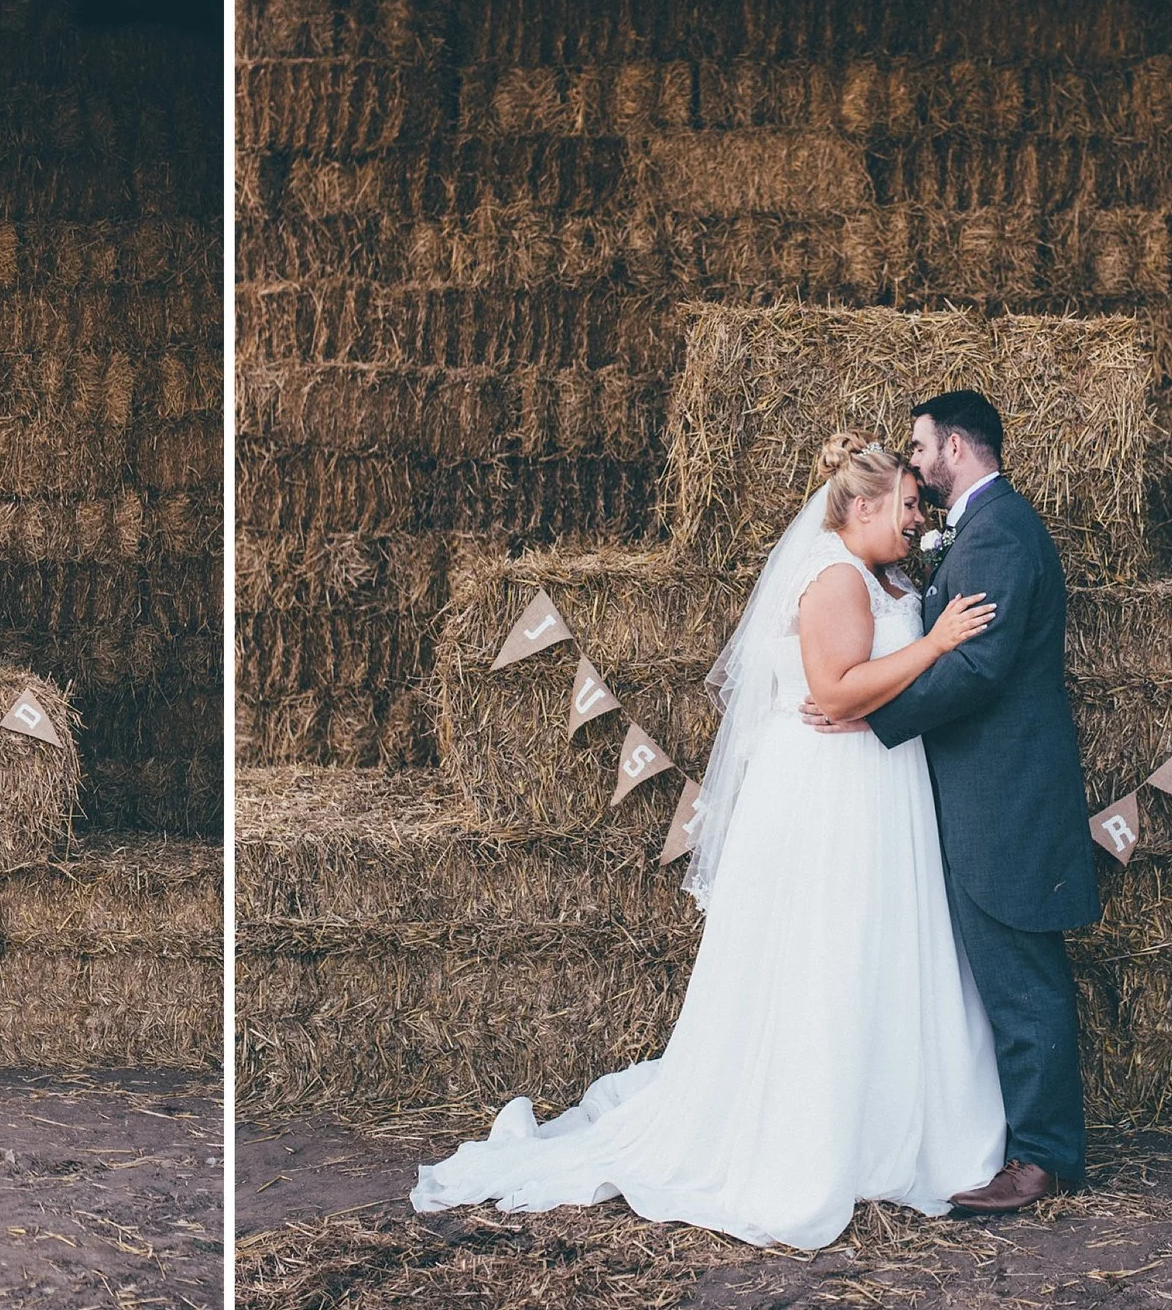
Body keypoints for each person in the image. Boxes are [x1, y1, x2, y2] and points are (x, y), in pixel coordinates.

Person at [410, 434, 1007, 1250]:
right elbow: (835, 687)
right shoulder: (835, 577)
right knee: (836, 945)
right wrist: (935, 645)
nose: (917, 519)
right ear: (861, 505)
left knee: (871, 944)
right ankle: (829, 1133)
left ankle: (881, 1115)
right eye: (905, 504)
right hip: (838, 788)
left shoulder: (873, 573)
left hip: (867, 775)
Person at [805, 390, 1099, 1213]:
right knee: (1004, 977)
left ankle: (1042, 1159)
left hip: (1005, 799)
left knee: (1021, 979)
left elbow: (979, 668)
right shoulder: (979, 529)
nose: (916, 463)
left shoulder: (1001, 531)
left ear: (958, 448)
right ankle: (1028, 1147)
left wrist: (870, 718)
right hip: (982, 796)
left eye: (922, 447)